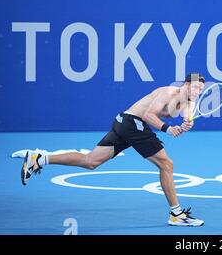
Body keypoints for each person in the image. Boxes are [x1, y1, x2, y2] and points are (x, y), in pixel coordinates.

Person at [21, 73, 206, 227]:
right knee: (166, 164)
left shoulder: (188, 101)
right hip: (134, 123)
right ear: (186, 84)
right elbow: (149, 115)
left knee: (90, 161)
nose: (199, 91)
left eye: (201, 90)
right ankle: (177, 214)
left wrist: (184, 125)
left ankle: (38, 159)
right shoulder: (168, 92)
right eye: (196, 87)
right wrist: (168, 129)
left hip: (123, 122)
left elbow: (184, 118)